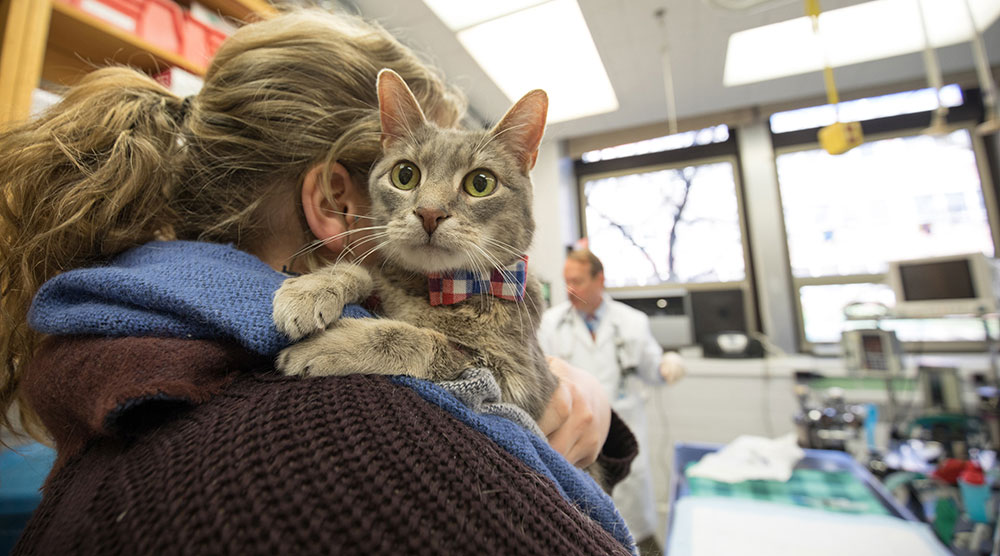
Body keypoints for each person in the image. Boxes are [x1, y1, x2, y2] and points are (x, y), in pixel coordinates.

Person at [0, 10, 640, 555]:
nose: (434, 208)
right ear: (338, 201)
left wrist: (586, 409)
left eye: (473, 181)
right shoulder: (364, 442)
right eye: (408, 174)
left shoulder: (121, 330)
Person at [538, 249, 685, 556]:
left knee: (635, 537)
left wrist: (668, 365)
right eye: (566, 281)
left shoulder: (633, 323)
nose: (570, 289)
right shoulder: (551, 323)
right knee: (582, 535)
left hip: (623, 441)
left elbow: (653, 370)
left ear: (599, 279)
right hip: (574, 444)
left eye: (577, 281)